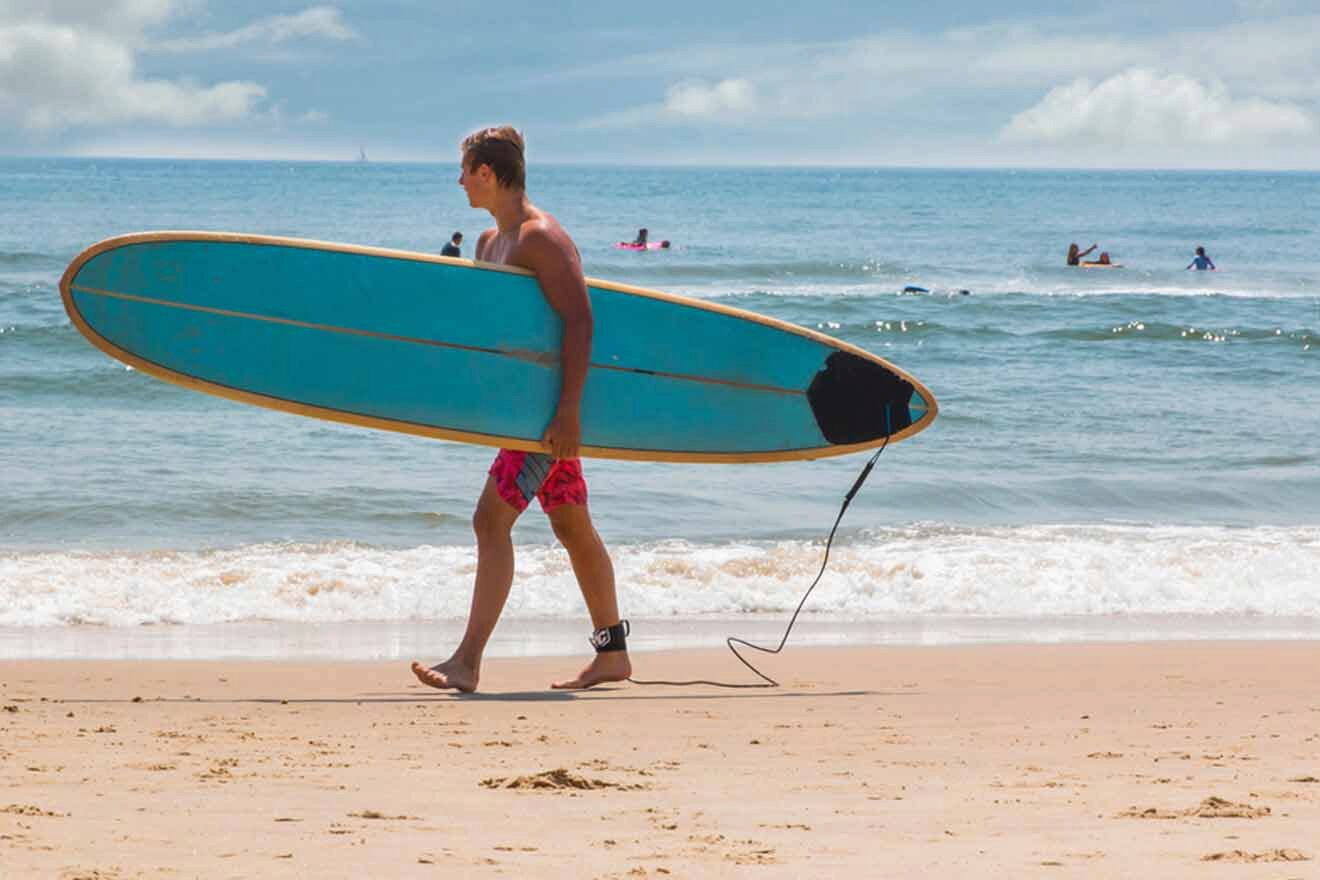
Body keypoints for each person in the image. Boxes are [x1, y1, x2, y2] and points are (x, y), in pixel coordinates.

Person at [411, 126, 630, 693]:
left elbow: (580, 322)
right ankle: (613, 654)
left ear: (487, 173)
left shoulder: (542, 239)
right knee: (570, 523)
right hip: (525, 411)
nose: (459, 181)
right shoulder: (489, 244)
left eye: (464, 170)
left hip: (547, 417)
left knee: (490, 521)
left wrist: (568, 414)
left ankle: (468, 660)